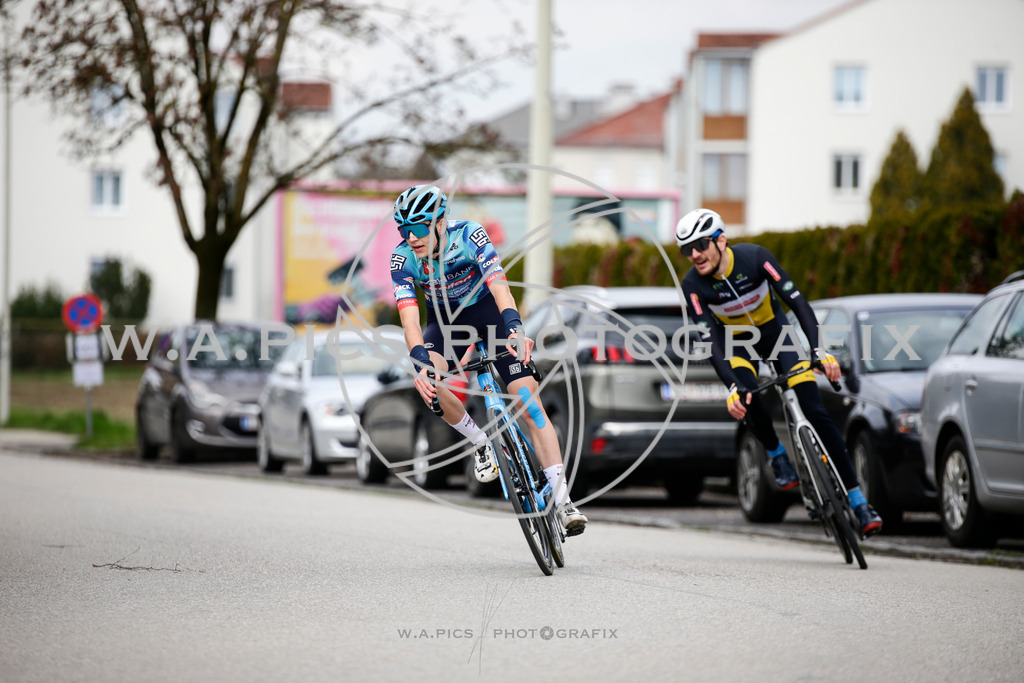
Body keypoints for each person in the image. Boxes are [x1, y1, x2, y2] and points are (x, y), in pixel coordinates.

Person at [389, 184, 587, 536]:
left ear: (439, 222)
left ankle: (563, 500)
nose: (412, 238)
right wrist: (420, 363)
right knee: (429, 384)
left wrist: (513, 327)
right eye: (404, 230)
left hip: (489, 316)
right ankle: (480, 442)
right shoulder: (403, 259)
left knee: (529, 401)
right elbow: (409, 320)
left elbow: (499, 287)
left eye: (418, 228)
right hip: (448, 325)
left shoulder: (469, 235)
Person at [677, 208, 883, 537]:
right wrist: (731, 386)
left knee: (815, 410)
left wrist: (818, 350)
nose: (695, 254)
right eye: (686, 249)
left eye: (700, 244)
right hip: (737, 344)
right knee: (746, 394)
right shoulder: (693, 286)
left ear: (721, 240)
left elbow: (798, 302)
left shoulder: (756, 258)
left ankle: (859, 503)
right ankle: (776, 454)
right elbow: (710, 341)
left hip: (778, 336)